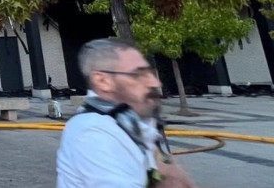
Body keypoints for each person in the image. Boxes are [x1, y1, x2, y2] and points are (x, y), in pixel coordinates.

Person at [57, 38, 195, 188]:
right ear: (102, 81)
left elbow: (172, 179)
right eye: (138, 74)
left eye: (150, 73)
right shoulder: (92, 132)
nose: (155, 83)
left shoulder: (132, 122)